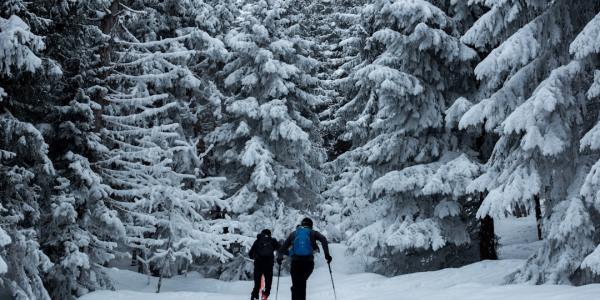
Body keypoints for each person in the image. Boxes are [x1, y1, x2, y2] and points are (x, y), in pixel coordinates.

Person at [277, 217, 332, 300]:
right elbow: (323, 239)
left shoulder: (294, 233)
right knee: (302, 285)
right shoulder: (312, 232)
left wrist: (280, 258)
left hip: (296, 263)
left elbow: (282, 248)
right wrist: (327, 255)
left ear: (302, 224)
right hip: (308, 263)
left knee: (296, 286)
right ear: (311, 225)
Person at [249, 229, 280, 300]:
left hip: (258, 264)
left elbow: (250, 254)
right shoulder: (273, 241)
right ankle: (265, 295)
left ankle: (254, 295)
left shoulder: (257, 241)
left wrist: (255, 256)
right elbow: (281, 249)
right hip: (269, 265)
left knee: (257, 284)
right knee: (268, 284)